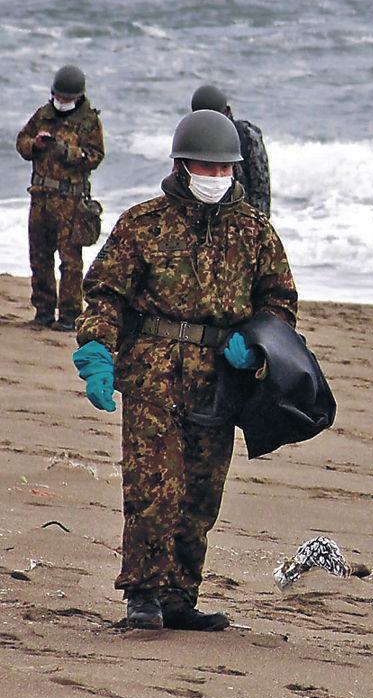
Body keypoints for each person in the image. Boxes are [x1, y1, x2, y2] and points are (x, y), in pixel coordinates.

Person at [72, 110, 297, 630]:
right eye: (206, 167)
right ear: (181, 164)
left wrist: (257, 346)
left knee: (200, 490)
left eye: (225, 169)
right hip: (152, 373)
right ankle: (143, 596)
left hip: (219, 378)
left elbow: (279, 303)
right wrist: (97, 351)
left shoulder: (255, 232)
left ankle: (179, 596)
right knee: (153, 486)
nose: (216, 177)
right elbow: (105, 293)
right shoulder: (142, 224)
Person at [16, 65, 105, 331]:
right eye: (59, 96)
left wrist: (67, 151)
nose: (62, 101)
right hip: (40, 198)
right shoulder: (42, 115)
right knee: (39, 256)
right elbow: (22, 142)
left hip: (70, 202)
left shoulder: (89, 121)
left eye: (67, 97)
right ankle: (43, 310)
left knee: (70, 261)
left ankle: (69, 315)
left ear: (78, 96)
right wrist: (36, 145)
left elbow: (95, 156)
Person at [191, 83, 271, 216]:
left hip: (241, 220)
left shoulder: (246, 136)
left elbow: (261, 188)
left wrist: (255, 227)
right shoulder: (191, 138)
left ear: (226, 112)